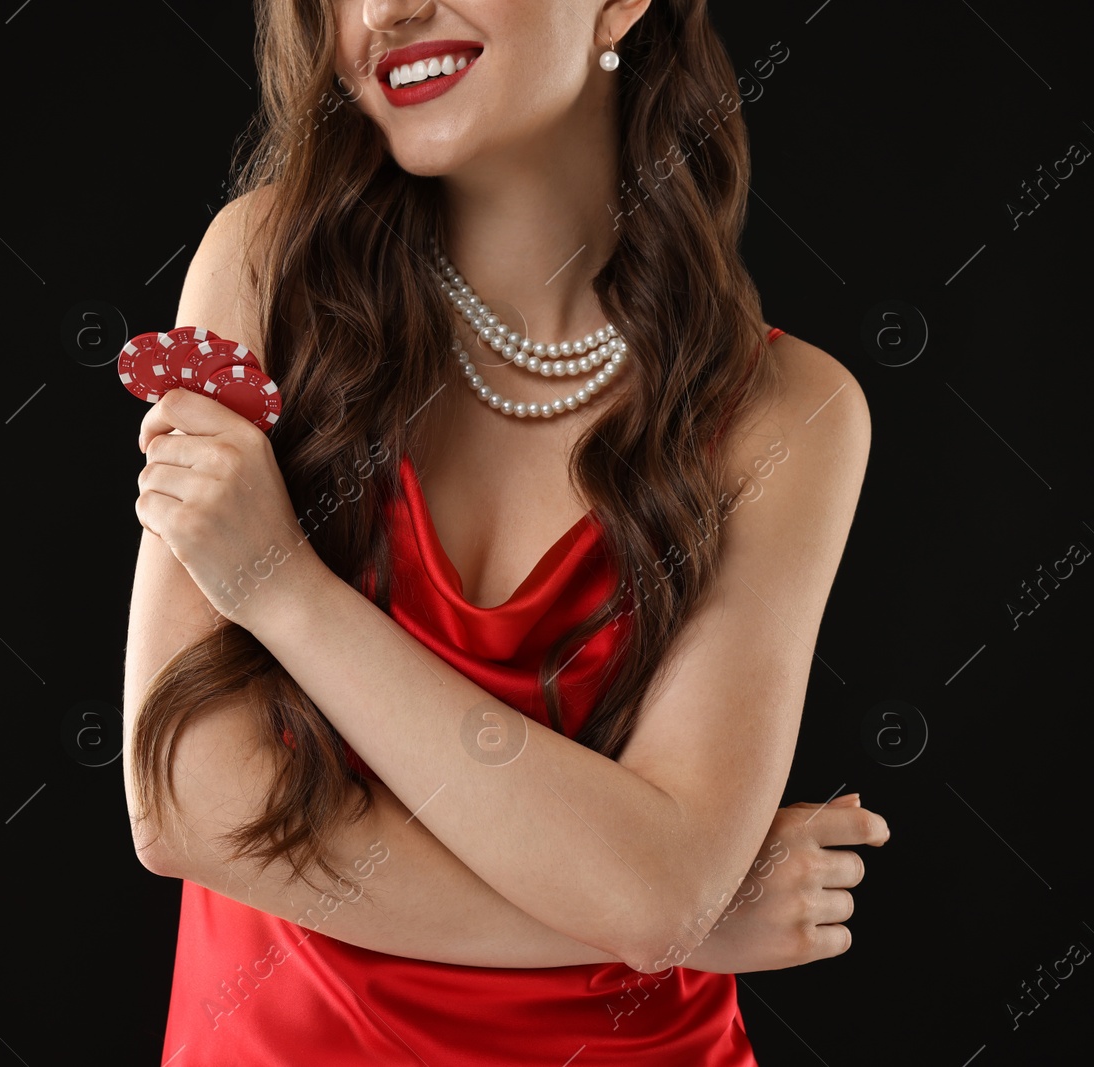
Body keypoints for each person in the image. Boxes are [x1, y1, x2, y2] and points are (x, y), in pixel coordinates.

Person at [123, 0, 888, 1062]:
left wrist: (277, 584)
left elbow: (655, 883)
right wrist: (677, 923)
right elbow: (185, 803)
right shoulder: (264, 268)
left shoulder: (788, 412)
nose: (384, 13)